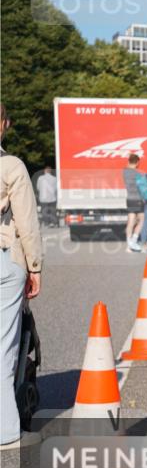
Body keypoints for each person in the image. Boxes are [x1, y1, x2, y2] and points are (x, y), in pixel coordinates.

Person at [0, 104, 43, 450]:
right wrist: (34, 267)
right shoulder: (11, 165)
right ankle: (6, 433)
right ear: (5, 124)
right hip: (4, 262)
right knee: (3, 348)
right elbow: (26, 221)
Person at [122, 153, 145, 251]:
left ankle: (128, 245)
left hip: (129, 199)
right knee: (142, 220)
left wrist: (129, 161)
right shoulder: (139, 174)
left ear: (129, 161)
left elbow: (127, 166)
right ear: (137, 162)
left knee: (130, 221)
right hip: (138, 199)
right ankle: (134, 241)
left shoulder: (124, 172)